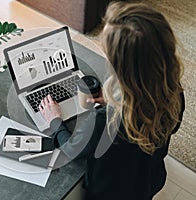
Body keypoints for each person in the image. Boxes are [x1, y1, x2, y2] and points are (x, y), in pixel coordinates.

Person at [39, 2, 185, 200]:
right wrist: (115, 100)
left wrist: (55, 121)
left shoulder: (104, 121)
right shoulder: (174, 94)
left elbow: (71, 150)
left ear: (121, 68)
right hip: (150, 181)